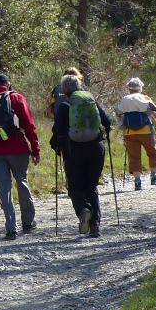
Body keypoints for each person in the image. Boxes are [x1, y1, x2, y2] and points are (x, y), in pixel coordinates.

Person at [0, 72, 41, 240]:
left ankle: (11, 228)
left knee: (5, 189)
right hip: (18, 149)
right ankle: (28, 222)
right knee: (22, 183)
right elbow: (30, 125)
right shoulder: (17, 98)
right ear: (8, 85)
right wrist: (35, 149)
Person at [51, 74, 113, 237]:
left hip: (74, 151)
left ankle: (83, 210)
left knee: (75, 187)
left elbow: (57, 131)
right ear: (79, 86)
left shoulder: (64, 105)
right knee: (91, 187)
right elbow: (107, 122)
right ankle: (95, 227)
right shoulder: (90, 100)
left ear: (64, 90)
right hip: (96, 148)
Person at [115, 77, 156, 190]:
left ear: (129, 88)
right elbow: (154, 114)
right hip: (145, 131)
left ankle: (137, 182)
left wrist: (123, 127)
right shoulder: (145, 98)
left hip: (129, 132)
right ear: (140, 87)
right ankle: (153, 177)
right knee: (152, 153)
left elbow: (119, 113)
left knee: (134, 156)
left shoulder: (125, 99)